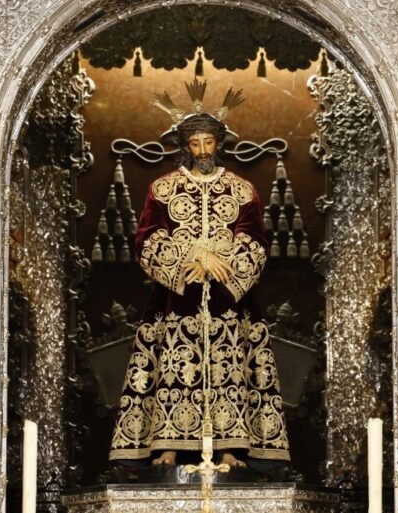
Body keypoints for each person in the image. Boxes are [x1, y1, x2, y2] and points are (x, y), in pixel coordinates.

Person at [108, 87, 290, 470]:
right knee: (172, 364)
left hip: (229, 298)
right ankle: (167, 445)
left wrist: (222, 262)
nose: (204, 151)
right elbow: (147, 237)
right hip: (177, 297)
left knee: (230, 367)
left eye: (209, 142)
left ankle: (229, 448)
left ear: (218, 143)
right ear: (186, 146)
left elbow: (254, 238)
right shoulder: (163, 189)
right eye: (196, 143)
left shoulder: (242, 190)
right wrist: (191, 256)